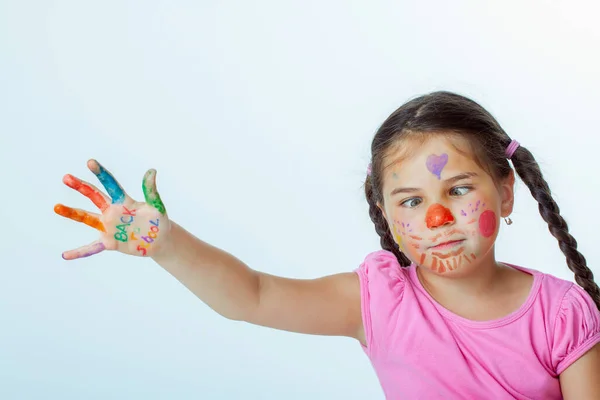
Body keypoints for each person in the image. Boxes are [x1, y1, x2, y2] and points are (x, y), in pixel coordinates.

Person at [54, 91, 600, 399]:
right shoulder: (379, 301)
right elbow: (253, 295)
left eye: (458, 190)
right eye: (410, 201)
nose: (436, 217)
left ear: (506, 193)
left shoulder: (562, 313)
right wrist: (167, 244)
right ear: (383, 211)